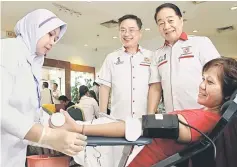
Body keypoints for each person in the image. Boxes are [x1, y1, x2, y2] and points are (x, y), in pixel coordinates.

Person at [51, 57, 237, 167]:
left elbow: (138, 126)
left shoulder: (202, 121)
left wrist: (80, 128)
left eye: (210, 82)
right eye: (203, 79)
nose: (202, 85)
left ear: (227, 93)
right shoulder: (208, 116)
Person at [1, 9, 86, 167]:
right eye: (50, 34)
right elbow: (2, 110)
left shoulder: (33, 64)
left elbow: (31, 111)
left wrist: (54, 125)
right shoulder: (7, 50)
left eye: (56, 38)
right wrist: (46, 136)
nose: (53, 42)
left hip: (14, 153)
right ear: (35, 28)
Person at [96, 14, 154, 166]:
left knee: (142, 160)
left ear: (140, 33)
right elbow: (104, 86)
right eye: (122, 30)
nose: (126, 34)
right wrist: (102, 115)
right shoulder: (112, 58)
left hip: (144, 121)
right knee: (117, 161)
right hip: (118, 120)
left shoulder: (150, 57)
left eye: (131, 30)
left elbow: (155, 87)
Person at [148, 3, 221, 114]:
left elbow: (219, 76)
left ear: (181, 20)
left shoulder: (200, 43)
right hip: (172, 118)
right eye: (161, 23)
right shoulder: (157, 54)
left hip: (202, 113)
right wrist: (150, 116)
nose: (166, 26)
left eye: (170, 20)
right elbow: (156, 87)